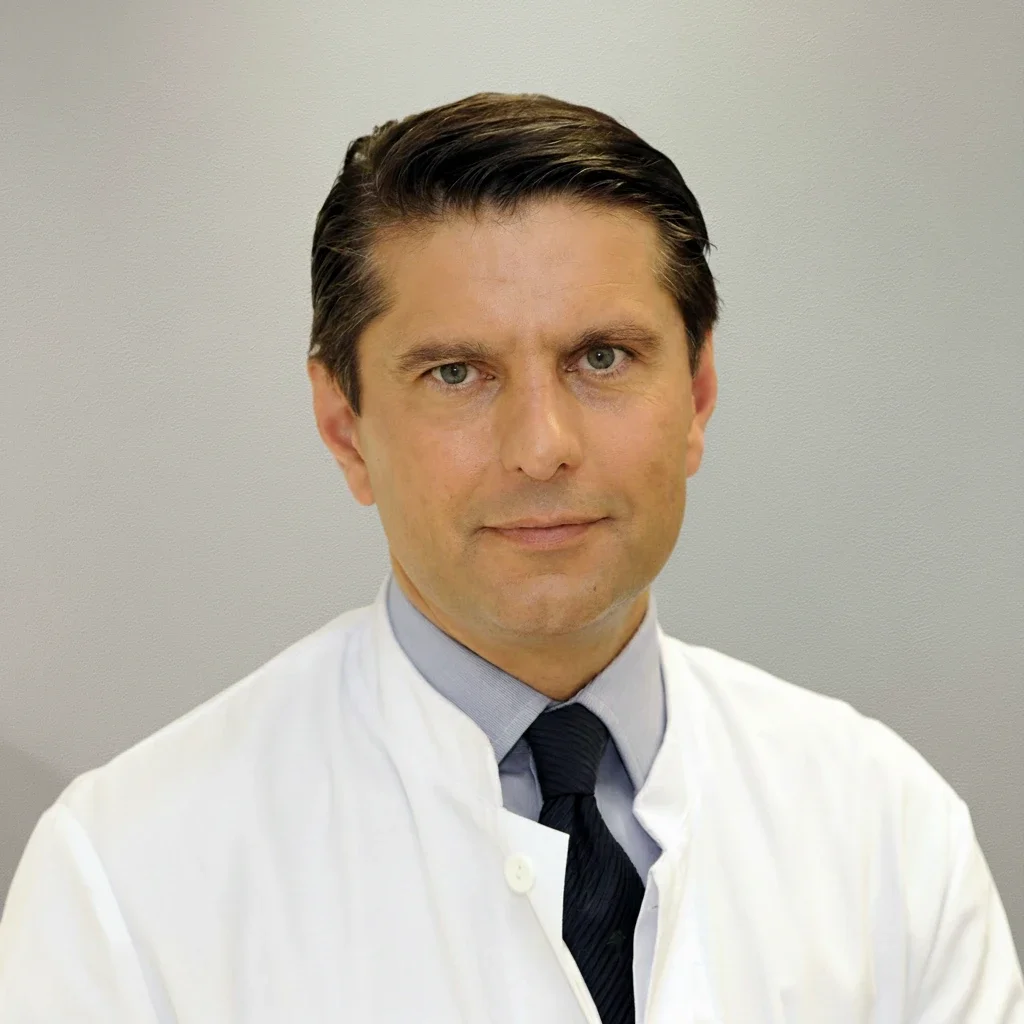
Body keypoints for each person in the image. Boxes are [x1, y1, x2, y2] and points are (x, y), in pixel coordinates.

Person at [0, 91, 1020, 1024]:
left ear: (698, 393)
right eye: (456, 373)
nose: (541, 445)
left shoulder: (887, 829)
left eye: (603, 358)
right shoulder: (129, 876)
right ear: (345, 427)